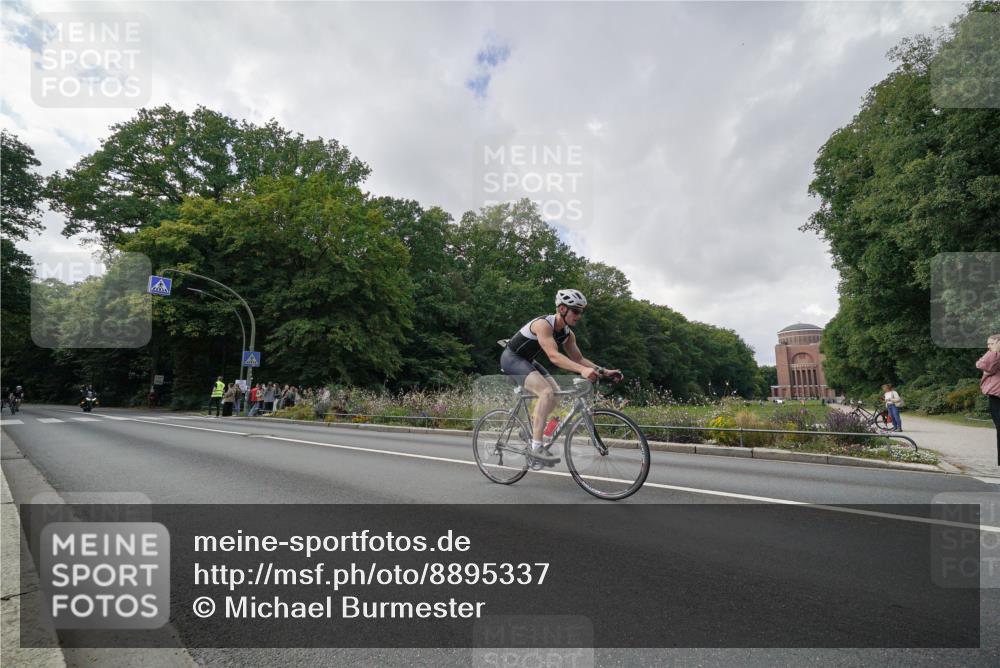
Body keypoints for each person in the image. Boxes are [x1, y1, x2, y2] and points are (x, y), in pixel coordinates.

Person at [500, 289, 622, 467]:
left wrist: (603, 371)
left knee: (555, 395)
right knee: (546, 392)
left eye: (581, 311)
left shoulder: (567, 334)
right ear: (563, 309)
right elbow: (554, 356)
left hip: (528, 361)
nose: (579, 316)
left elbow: (578, 358)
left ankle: (529, 431)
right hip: (512, 359)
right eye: (576, 311)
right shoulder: (543, 325)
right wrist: (582, 370)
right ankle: (536, 449)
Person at [976, 334, 1000, 466]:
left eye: (991, 344)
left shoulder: (996, 355)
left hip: (997, 395)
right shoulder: (994, 355)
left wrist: (995, 351)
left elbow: (984, 365)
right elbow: (981, 365)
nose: (988, 347)